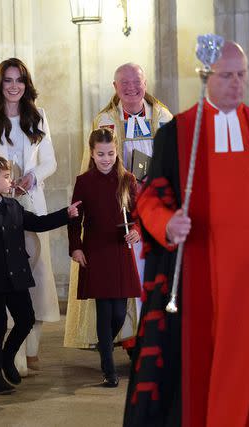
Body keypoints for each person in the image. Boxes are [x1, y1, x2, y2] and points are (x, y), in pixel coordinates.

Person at [124, 41, 249, 426]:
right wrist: (168, 223)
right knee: (201, 368)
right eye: (226, 76)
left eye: (242, 75)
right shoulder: (178, 133)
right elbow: (151, 195)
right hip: (201, 279)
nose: (237, 84)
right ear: (206, 76)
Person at [64, 63, 173, 351]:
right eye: (124, 83)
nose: (131, 87)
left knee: (154, 271)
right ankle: (127, 337)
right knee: (128, 272)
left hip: (157, 207)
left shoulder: (163, 117)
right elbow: (95, 166)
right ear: (115, 87)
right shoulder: (105, 120)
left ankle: (153, 335)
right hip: (122, 208)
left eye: (136, 81)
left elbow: (175, 160)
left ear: (145, 82)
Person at [0, 57, 59, 374]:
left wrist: (33, 177)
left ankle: (31, 347)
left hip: (31, 203)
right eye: (8, 80)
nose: (14, 85)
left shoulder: (39, 117)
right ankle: (11, 355)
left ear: (26, 84)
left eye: (19, 79)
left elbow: (50, 162)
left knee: (35, 277)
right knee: (3, 276)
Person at [0, 155, 79, 394]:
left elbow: (38, 223)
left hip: (16, 274)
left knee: (26, 319)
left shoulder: (13, 206)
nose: (10, 180)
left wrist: (65, 214)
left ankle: (7, 358)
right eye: (5, 177)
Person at [68, 128, 141, 387]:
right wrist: (76, 247)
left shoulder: (128, 179)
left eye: (110, 153)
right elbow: (74, 220)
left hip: (120, 250)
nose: (106, 159)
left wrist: (136, 231)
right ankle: (109, 370)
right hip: (96, 250)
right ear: (92, 153)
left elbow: (138, 214)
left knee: (119, 313)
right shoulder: (84, 181)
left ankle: (105, 344)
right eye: (100, 154)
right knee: (104, 311)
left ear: (117, 151)